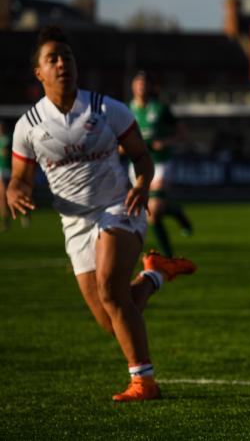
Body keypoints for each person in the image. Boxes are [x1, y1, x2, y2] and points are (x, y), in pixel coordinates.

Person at [6, 26, 197, 402]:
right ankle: (156, 273)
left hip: (119, 208)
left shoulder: (108, 109)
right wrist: (16, 191)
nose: (63, 64)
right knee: (113, 320)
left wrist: (142, 185)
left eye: (68, 57)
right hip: (74, 223)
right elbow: (20, 178)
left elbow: (142, 158)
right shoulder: (27, 127)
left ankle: (144, 382)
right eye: (53, 59)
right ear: (39, 73)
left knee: (111, 290)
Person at [129, 70, 194, 257]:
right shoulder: (126, 110)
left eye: (144, 82)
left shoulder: (161, 109)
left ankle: (168, 257)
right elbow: (116, 142)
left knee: (154, 211)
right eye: (138, 82)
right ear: (133, 86)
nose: (141, 86)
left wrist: (165, 143)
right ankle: (177, 212)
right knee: (147, 211)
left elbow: (182, 134)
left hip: (160, 164)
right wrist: (125, 148)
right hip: (137, 166)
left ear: (150, 87)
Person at [0, 121, 11, 231]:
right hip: (1, 170)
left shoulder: (7, 139)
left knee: (8, 194)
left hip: (8, 169)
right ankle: (5, 219)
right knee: (2, 197)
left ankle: (24, 214)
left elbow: (5, 152)